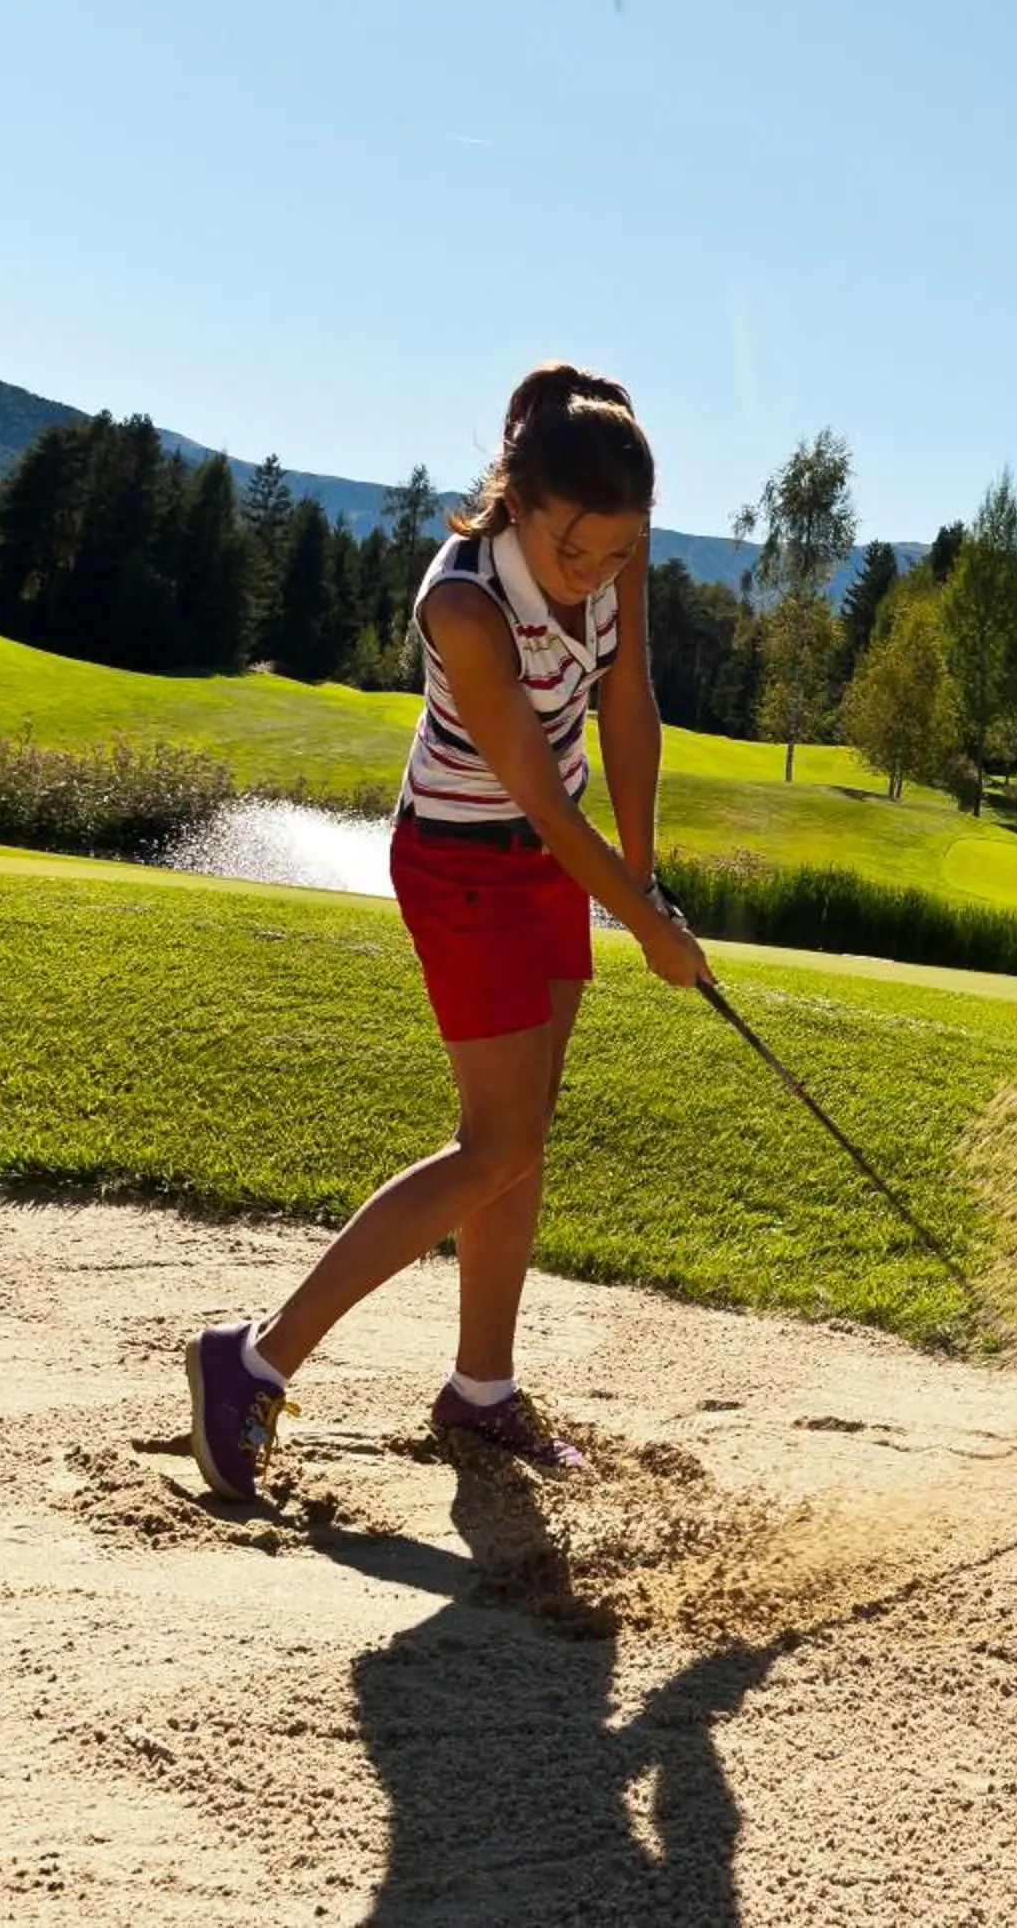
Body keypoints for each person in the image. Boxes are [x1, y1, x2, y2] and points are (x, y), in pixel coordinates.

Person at [186, 362, 712, 1502]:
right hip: (465, 867)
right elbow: (535, 789)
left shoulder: (612, 544)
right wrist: (645, 926)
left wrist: (645, 876)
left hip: (545, 872)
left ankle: (481, 1387)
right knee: (495, 1145)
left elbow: (629, 703)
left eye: (620, 552)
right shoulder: (463, 603)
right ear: (519, 502)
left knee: (520, 1134)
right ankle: (254, 1359)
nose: (601, 571)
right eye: (579, 553)